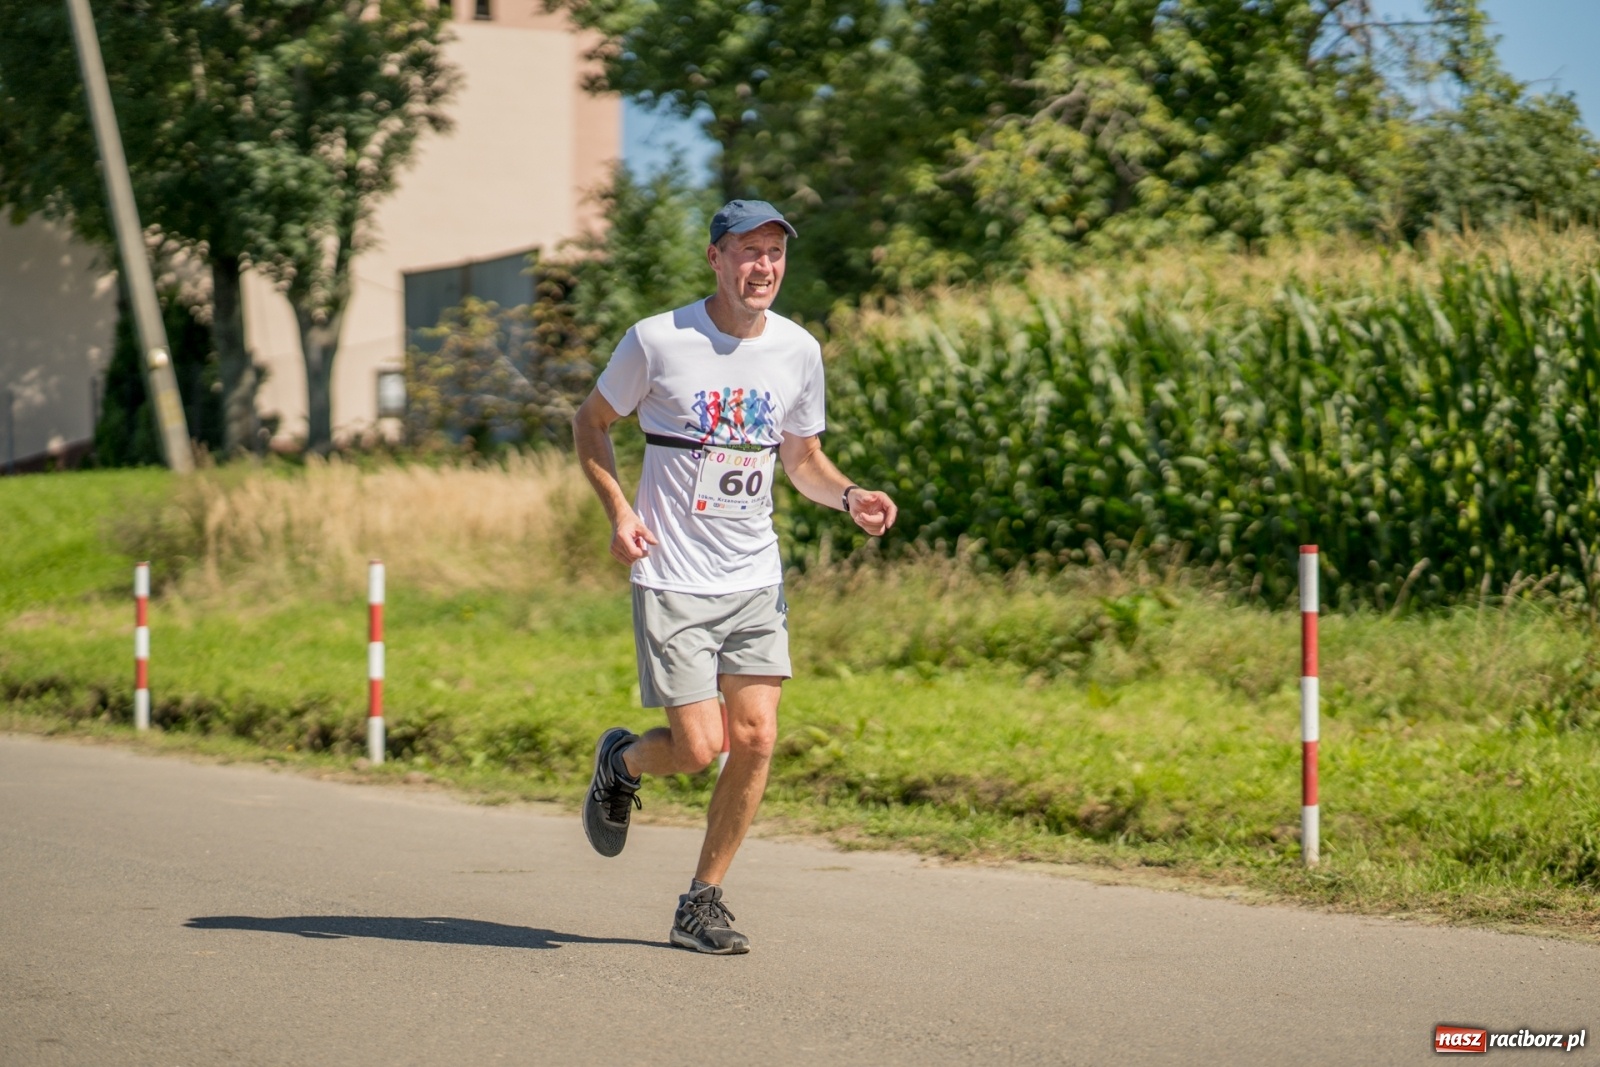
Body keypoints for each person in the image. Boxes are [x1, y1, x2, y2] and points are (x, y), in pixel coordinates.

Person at [571, 199, 897, 955]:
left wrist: (848, 494)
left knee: (754, 738)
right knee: (697, 747)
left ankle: (702, 899)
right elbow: (590, 423)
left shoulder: (797, 350)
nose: (764, 268)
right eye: (749, 252)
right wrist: (619, 510)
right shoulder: (657, 340)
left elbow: (802, 458)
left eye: (775, 254)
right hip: (674, 576)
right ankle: (620, 761)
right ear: (715, 258)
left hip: (753, 575)